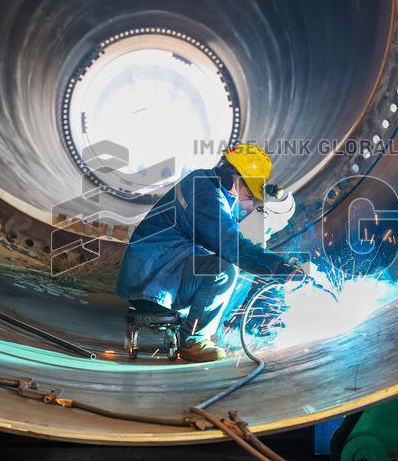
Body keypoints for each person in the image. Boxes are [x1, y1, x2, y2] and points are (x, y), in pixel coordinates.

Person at [115, 143, 307, 362]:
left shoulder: (205, 183)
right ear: (235, 178)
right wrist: (277, 267)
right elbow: (231, 245)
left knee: (225, 264)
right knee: (223, 271)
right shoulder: (206, 195)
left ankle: (203, 330)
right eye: (248, 191)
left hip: (155, 273)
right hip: (154, 279)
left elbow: (227, 225)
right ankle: (193, 341)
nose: (247, 198)